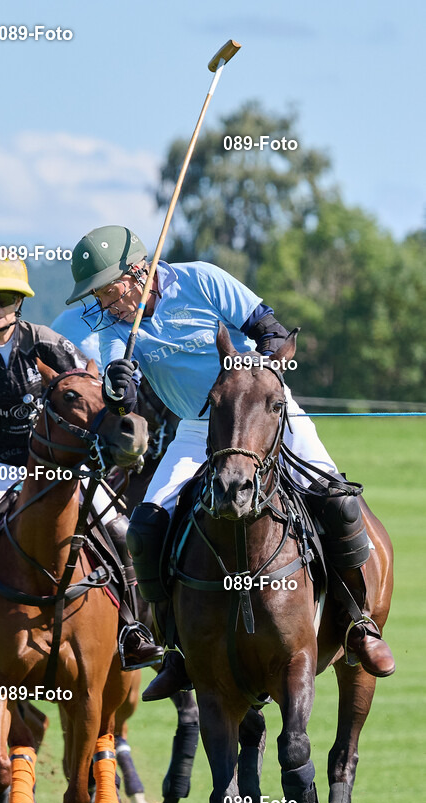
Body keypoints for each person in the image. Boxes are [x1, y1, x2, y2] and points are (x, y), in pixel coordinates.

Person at [65, 225, 395, 698]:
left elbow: (270, 330)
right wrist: (119, 383)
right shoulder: (118, 327)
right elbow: (124, 389)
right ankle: (175, 650)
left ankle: (360, 625)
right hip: (198, 428)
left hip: (260, 413)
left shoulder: (202, 280)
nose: (105, 302)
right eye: (96, 295)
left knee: (339, 504)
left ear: (139, 270)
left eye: (108, 289)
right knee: (143, 529)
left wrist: (249, 379)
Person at [0, 247, 162, 673]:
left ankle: (131, 628)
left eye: (4, 298)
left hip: (64, 466)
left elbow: (89, 389)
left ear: (20, 301)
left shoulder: (48, 342)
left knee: (121, 531)